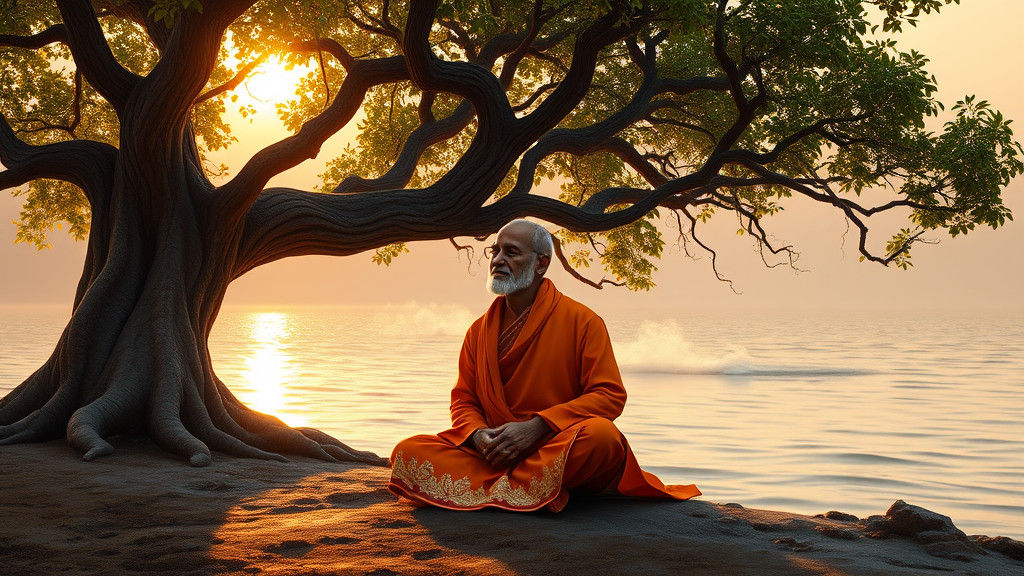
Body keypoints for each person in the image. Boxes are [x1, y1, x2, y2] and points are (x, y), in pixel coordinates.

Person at [387, 219, 700, 511]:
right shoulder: (478, 331)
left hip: (555, 445)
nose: (497, 260)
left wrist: (537, 427)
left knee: (603, 438)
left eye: (511, 252)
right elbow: (464, 399)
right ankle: (528, 489)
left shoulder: (583, 321)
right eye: (494, 251)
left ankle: (500, 489)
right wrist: (479, 434)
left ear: (541, 263)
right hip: (494, 453)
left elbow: (609, 395)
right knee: (408, 451)